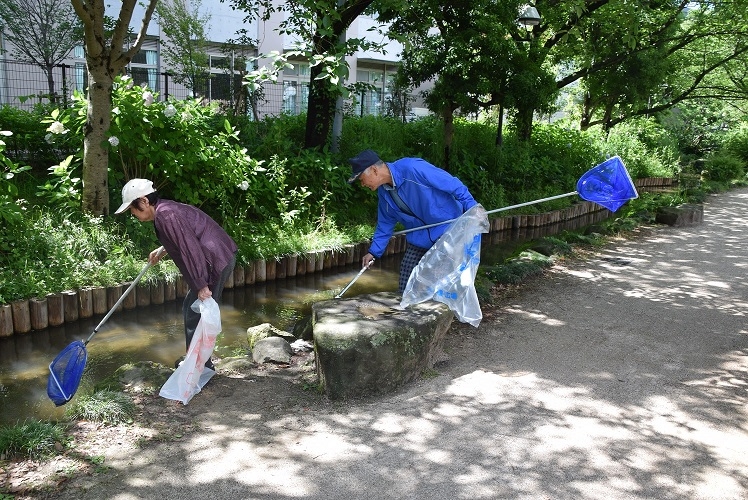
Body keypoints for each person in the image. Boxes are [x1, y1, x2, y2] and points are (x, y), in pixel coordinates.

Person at [114, 179, 237, 370]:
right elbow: (183, 235)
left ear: (145, 201)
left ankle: (200, 367)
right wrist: (163, 250)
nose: (132, 213)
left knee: (196, 312)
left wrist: (201, 285)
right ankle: (198, 362)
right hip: (215, 255)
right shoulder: (165, 211)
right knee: (192, 309)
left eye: (133, 208)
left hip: (214, 259)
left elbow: (190, 249)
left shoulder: (166, 215)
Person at [348, 149, 478, 293]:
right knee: (407, 276)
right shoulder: (384, 194)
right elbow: (385, 224)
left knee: (441, 281)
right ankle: (405, 311)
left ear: (374, 170)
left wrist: (472, 207)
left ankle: (444, 313)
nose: (362, 184)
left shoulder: (413, 169)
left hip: (447, 230)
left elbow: (452, 184)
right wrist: (373, 252)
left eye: (361, 179)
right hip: (420, 238)